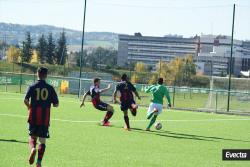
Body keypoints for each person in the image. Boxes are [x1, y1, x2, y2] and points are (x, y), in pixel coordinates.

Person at [24, 67, 59, 167]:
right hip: (45, 117)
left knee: (32, 137)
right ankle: (39, 162)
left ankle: (32, 149)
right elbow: (56, 104)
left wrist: (29, 107)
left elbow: (25, 100)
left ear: (37, 74)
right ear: (46, 75)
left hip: (34, 115)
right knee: (42, 140)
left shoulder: (32, 86)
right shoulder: (50, 88)